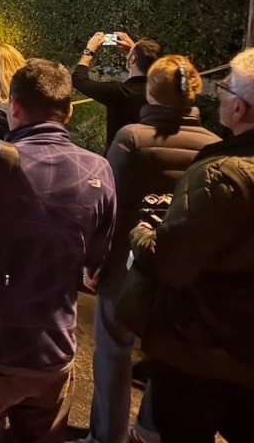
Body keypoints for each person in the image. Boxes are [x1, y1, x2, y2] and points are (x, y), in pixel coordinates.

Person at [0, 59, 116, 442]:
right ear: (66, 112)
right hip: (53, 350)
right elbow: (96, 261)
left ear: (13, 106)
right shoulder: (99, 170)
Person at [74, 56, 218, 443]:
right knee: (165, 351)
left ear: (150, 90)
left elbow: (109, 207)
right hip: (180, 268)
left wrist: (95, 262)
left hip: (127, 262)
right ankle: (151, 428)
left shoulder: (132, 138)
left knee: (113, 351)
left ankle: (108, 435)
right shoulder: (214, 145)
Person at [127, 49, 254, 443]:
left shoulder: (223, 174)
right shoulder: (219, 153)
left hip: (204, 348)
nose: (219, 95)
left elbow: (170, 261)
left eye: (225, 88)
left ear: (240, 106)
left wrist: (139, 231)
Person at [73, 32, 161, 150]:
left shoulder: (119, 92)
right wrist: (137, 52)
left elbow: (79, 80)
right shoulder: (164, 91)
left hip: (121, 161)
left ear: (132, 59)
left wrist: (89, 50)